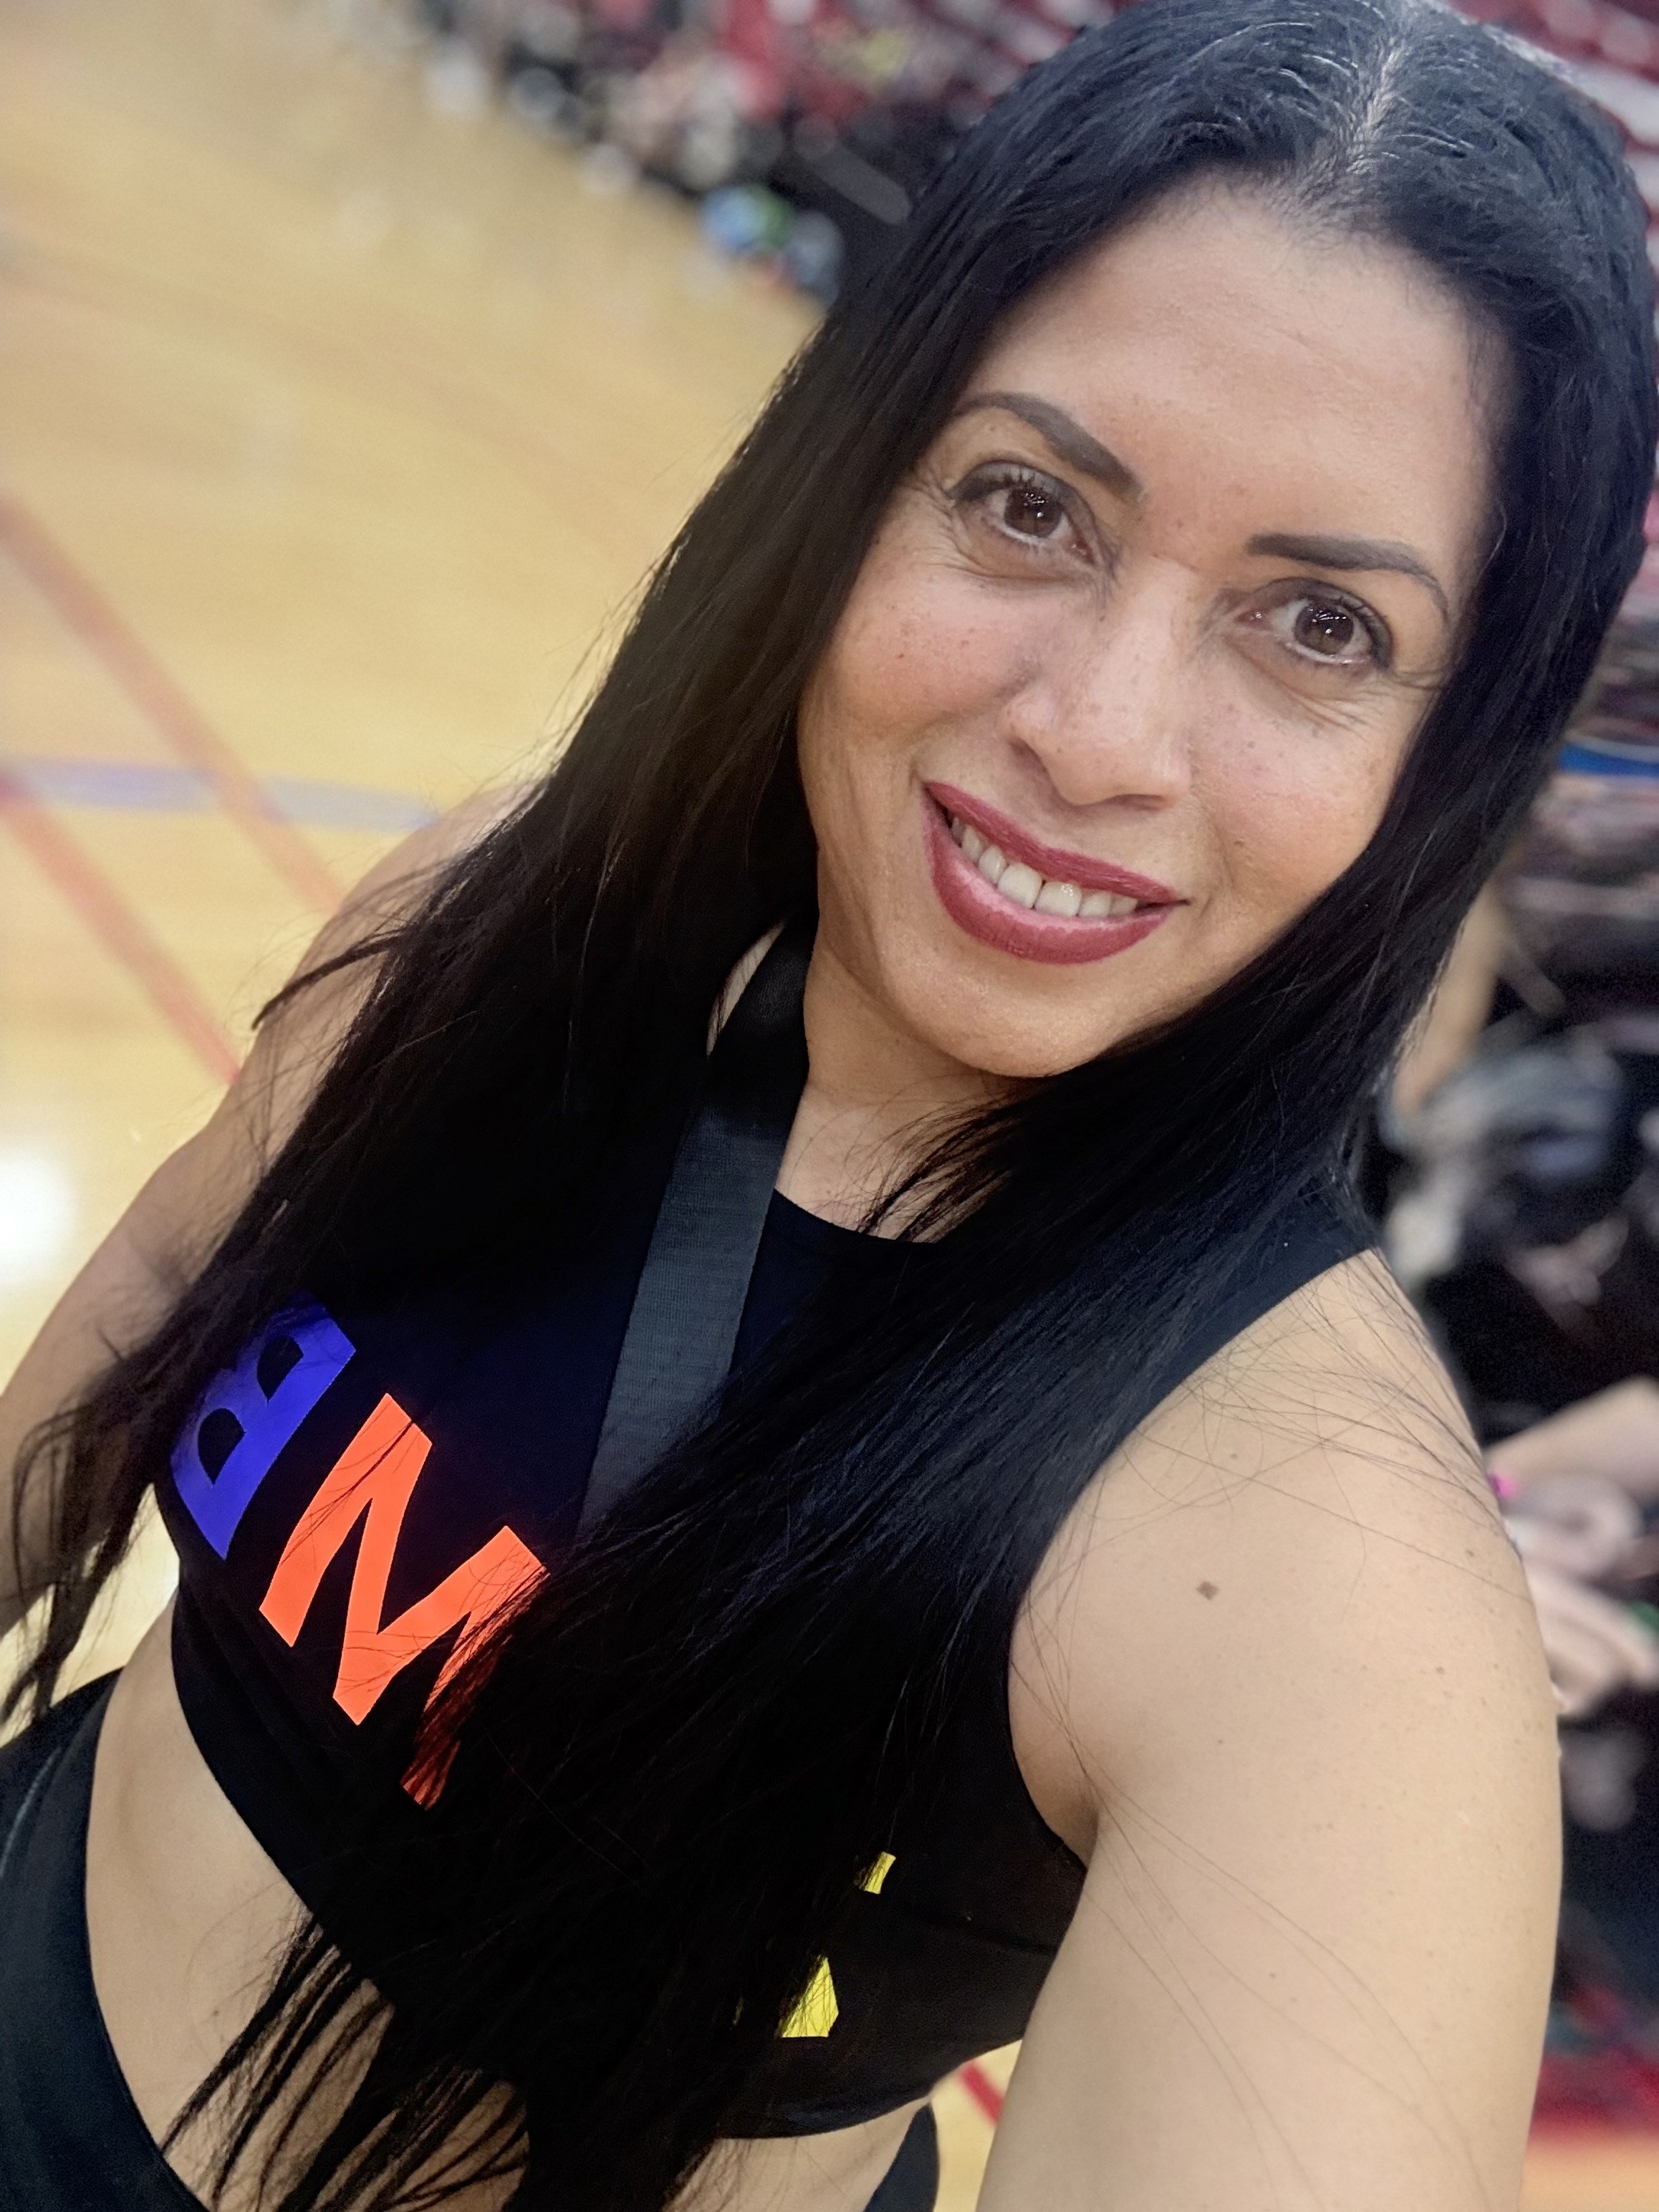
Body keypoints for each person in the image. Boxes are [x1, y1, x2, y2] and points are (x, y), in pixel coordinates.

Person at [0, 2, 1653, 2206]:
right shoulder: (497, 918)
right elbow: (110, 1361)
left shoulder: (1315, 1593)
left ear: (1446, 753)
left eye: (1319, 628)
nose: (1096, 734)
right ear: (850, 479)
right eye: (1026, 504)